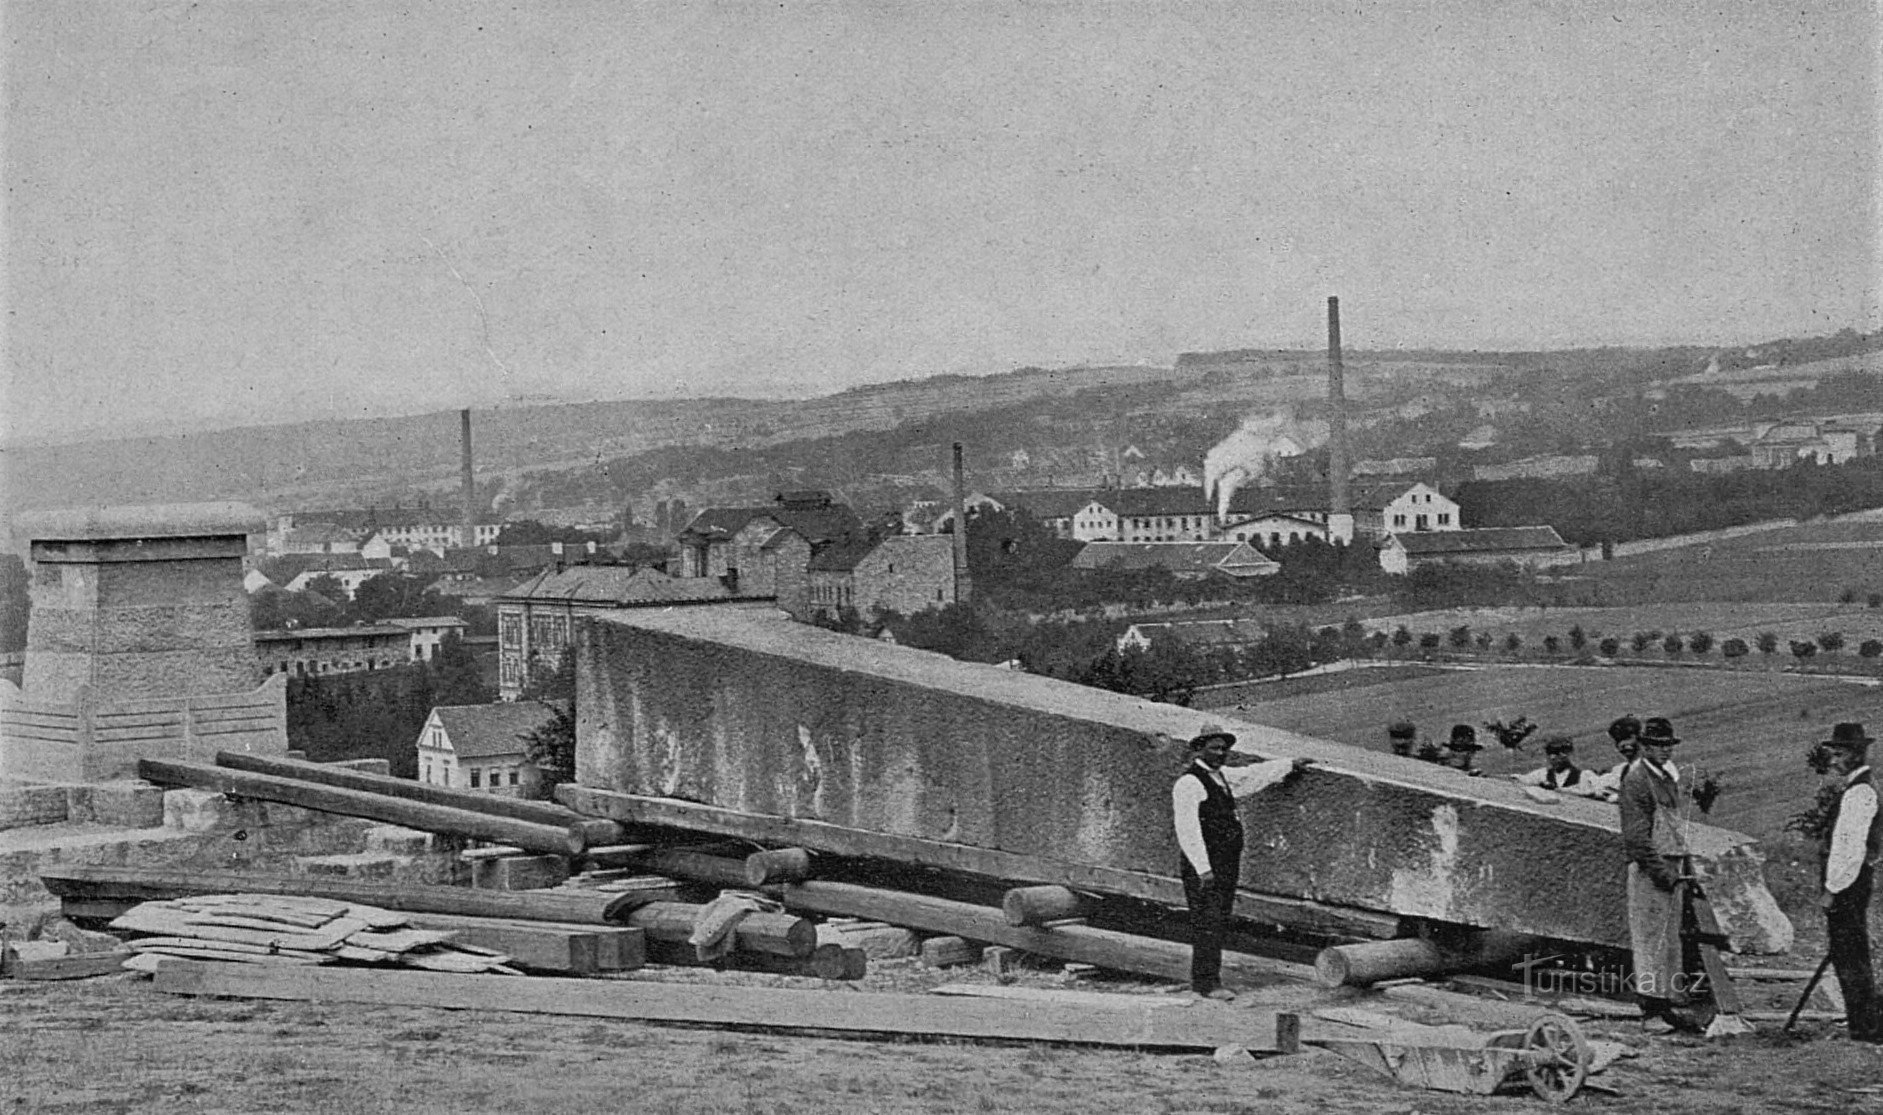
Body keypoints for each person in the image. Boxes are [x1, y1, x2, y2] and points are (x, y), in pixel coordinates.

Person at [1172, 724, 1311, 1001]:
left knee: (1218, 919)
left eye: (1224, 748)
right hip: (1206, 867)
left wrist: (1288, 765)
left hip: (1224, 864)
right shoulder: (1189, 783)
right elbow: (1187, 829)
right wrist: (1203, 869)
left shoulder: (1221, 777)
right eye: (1214, 748)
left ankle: (1210, 979)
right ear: (1199, 749)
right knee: (1207, 922)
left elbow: (1251, 775)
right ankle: (1206, 984)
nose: (1221, 753)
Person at [1618, 716, 1705, 1034]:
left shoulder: (1666, 777)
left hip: (1672, 866)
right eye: (1657, 745)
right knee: (1649, 941)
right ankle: (1650, 1010)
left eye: (1668, 745)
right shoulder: (1637, 779)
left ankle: (1668, 1006)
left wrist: (1683, 869)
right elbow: (1637, 838)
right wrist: (1662, 873)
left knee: (1669, 942)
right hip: (1650, 870)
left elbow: (1674, 828)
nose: (1664, 751)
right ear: (1644, 746)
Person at [1819, 722, 1881, 1044]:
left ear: (1856, 755)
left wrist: (1832, 889)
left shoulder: (1861, 793)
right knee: (1847, 954)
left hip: (1848, 886)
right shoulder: (1855, 788)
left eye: (1839, 754)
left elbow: (1850, 850)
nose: (1833, 760)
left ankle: (1865, 1027)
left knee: (1850, 957)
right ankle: (1862, 1022)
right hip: (1851, 884)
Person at [1584, 715, 1643, 802]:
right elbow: (1600, 784)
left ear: (1640, 738)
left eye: (1628, 738)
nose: (1623, 744)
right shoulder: (1623, 769)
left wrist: (1618, 798)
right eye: (1618, 740)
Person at [1513, 735, 1593, 793]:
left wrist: (1565, 791)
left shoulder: (1583, 776)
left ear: (1567, 754)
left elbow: (1589, 793)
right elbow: (1523, 780)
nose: (1552, 757)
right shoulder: (1542, 774)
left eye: (1556, 753)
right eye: (1549, 753)